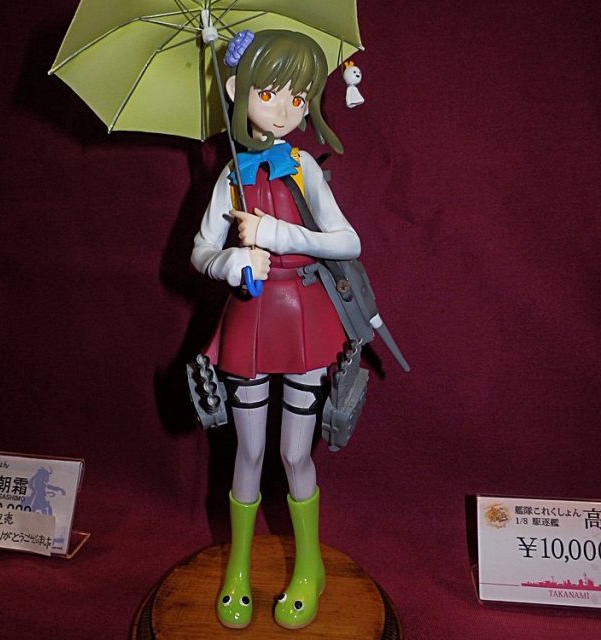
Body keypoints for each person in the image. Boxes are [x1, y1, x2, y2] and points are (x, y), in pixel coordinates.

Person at [191, 29, 360, 630]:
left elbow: (348, 241)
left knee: (294, 452)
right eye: (269, 93)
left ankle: (309, 564)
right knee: (249, 450)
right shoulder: (229, 176)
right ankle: (237, 566)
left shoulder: (304, 166)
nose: (286, 108)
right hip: (250, 321)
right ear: (238, 90)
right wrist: (230, 261)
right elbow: (199, 250)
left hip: (306, 320)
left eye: (299, 95)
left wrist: (278, 235)